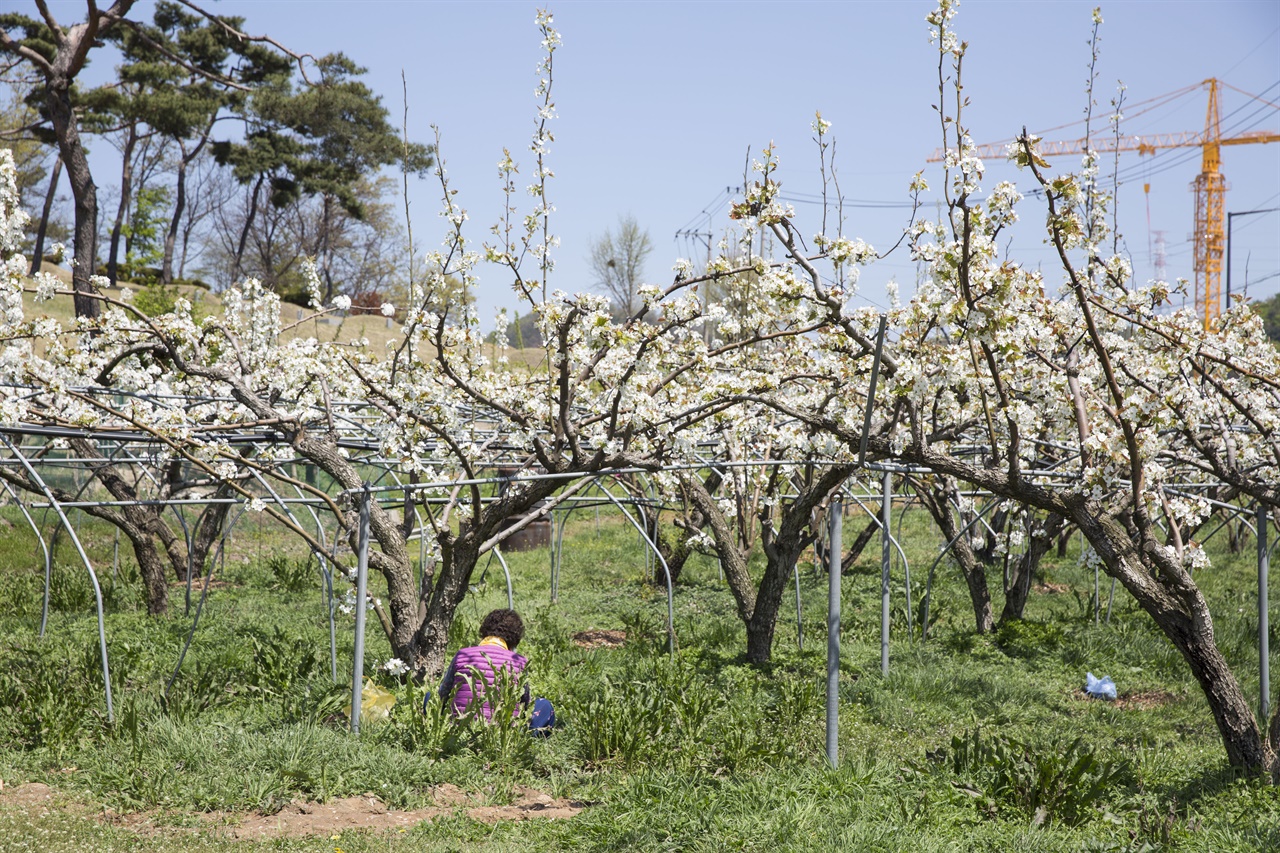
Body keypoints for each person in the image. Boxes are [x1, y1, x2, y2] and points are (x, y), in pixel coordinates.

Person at [433, 608, 555, 734]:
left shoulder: (462, 655)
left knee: (429, 697)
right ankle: (532, 740)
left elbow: (442, 695)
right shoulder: (519, 662)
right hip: (502, 736)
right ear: (515, 639)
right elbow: (525, 704)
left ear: (485, 631)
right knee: (544, 705)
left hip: (457, 734)